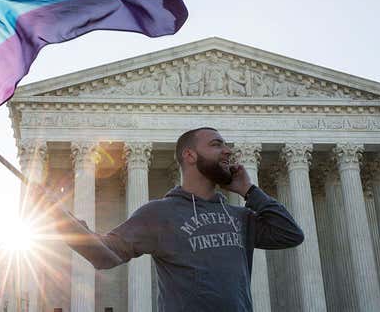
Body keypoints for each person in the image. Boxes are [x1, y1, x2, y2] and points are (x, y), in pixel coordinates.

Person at [33, 127, 304, 312]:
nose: (227, 151)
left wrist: (249, 190)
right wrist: (57, 216)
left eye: (226, 145)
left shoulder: (239, 217)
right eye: (216, 144)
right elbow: (105, 255)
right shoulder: (159, 214)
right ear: (189, 155)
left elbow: (291, 234)